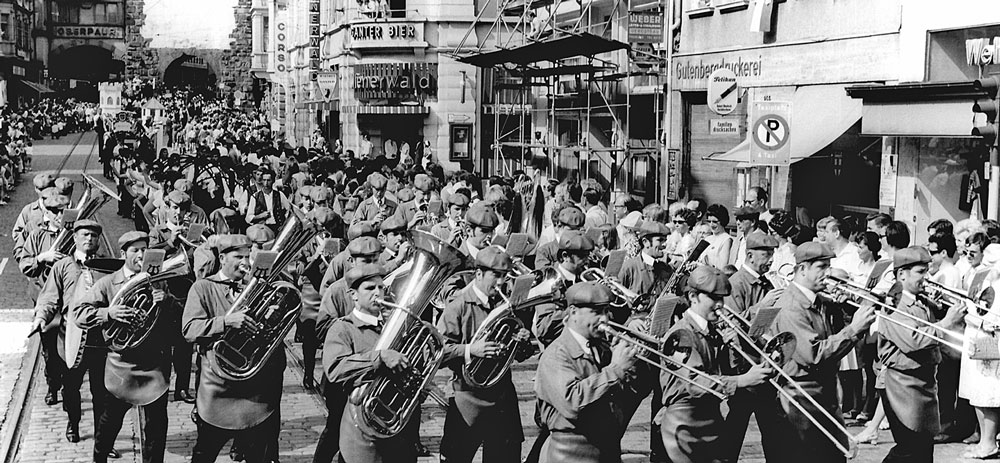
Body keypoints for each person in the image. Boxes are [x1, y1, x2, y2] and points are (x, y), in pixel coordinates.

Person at [767, 242, 877, 463]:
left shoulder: (816, 300)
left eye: (828, 266)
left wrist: (845, 309)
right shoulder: (792, 307)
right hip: (804, 398)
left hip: (823, 395)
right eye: (821, 267)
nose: (828, 274)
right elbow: (813, 355)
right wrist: (853, 329)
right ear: (802, 269)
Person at [182, 234, 285, 463]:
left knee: (257, 455)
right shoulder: (203, 287)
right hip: (218, 388)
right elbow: (189, 329)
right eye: (239, 257)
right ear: (222, 258)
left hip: (253, 391)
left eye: (249, 257)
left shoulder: (257, 289)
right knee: (204, 454)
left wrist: (273, 316)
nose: (246, 263)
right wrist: (225, 322)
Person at [73, 231, 172, 463]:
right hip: (121, 366)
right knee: (109, 424)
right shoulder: (108, 282)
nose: (141, 255)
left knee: (156, 428)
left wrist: (167, 302)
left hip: (153, 365)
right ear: (123, 253)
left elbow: (177, 323)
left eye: (144, 250)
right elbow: (79, 314)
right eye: (135, 250)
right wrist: (108, 312)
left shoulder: (159, 281)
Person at [660, 265, 775, 463]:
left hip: (710, 417)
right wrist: (742, 380)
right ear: (694, 297)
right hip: (685, 423)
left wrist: (731, 348)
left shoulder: (712, 330)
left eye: (722, 299)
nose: (720, 304)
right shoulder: (681, 334)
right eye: (713, 298)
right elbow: (695, 383)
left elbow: (724, 371)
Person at [436, 246, 532, 463]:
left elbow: (521, 356)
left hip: (503, 398)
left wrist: (523, 342)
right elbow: (437, 353)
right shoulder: (458, 306)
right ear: (478, 274)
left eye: (504, 276)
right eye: (495, 275)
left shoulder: (507, 306)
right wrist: (471, 349)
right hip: (467, 399)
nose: (501, 282)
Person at [533, 281, 646, 463]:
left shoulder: (601, 347)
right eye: (596, 312)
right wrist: (616, 369)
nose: (605, 319)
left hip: (605, 448)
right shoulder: (556, 354)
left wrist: (635, 363)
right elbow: (572, 402)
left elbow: (626, 396)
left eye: (606, 311)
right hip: (570, 453)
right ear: (573, 312)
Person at [30, 219, 114, 451]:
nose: (89, 239)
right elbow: (49, 297)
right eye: (84, 235)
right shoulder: (63, 265)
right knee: (70, 387)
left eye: (94, 236)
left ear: (98, 241)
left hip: (99, 337)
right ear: (75, 238)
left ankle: (102, 440)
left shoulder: (107, 266)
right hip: (69, 336)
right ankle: (73, 424)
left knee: (101, 392)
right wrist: (41, 318)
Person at [324, 264, 420, 463]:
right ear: (353, 294)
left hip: (398, 426)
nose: (378, 293)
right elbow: (334, 369)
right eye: (369, 288)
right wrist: (379, 357)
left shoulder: (395, 327)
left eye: (381, 288)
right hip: (361, 431)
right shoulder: (343, 329)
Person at [878, 246, 965, 462]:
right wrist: (946, 322)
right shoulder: (895, 303)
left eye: (927, 271)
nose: (926, 278)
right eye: (920, 272)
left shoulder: (921, 300)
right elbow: (914, 341)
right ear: (901, 274)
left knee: (924, 450)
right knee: (909, 449)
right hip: (903, 385)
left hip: (922, 384)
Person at [719, 230, 787, 461]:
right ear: (749, 255)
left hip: (763, 362)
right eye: (766, 254)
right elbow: (730, 323)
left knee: (773, 426)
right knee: (737, 425)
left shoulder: (767, 282)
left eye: (772, 253)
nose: (770, 259)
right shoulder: (735, 284)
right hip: (742, 365)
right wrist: (763, 305)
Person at [532, 231, 592, 346]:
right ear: (565, 256)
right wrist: (578, 311)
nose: (587, 261)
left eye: (587, 255)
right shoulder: (548, 281)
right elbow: (544, 329)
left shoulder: (586, 277)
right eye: (581, 256)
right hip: (558, 347)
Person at [246, 167, 291, 234]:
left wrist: (284, 224)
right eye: (264, 180)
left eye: (268, 180)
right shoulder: (255, 196)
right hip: (263, 230)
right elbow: (248, 218)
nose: (266, 183)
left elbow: (289, 210)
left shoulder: (279, 194)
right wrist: (260, 216)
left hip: (278, 228)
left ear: (273, 181)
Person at [701, 204, 733, 270]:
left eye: (715, 222)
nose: (711, 225)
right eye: (709, 221)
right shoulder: (707, 239)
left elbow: (722, 266)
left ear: (722, 221)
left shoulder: (726, 239)